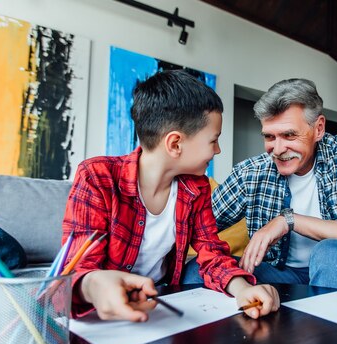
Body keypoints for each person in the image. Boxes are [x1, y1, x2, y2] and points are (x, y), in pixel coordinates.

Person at [62, 70, 279, 322]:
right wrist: (95, 284)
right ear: (175, 144)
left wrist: (244, 289)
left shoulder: (196, 188)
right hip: (102, 314)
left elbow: (211, 253)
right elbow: (77, 268)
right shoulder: (97, 177)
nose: (218, 150)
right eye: (214, 140)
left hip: (162, 303)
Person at [183, 78, 337, 289]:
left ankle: (322, 322)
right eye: (269, 137)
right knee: (197, 271)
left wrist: (288, 221)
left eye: (289, 135)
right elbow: (194, 225)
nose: (277, 149)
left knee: (331, 252)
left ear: (318, 128)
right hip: (279, 273)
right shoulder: (250, 172)